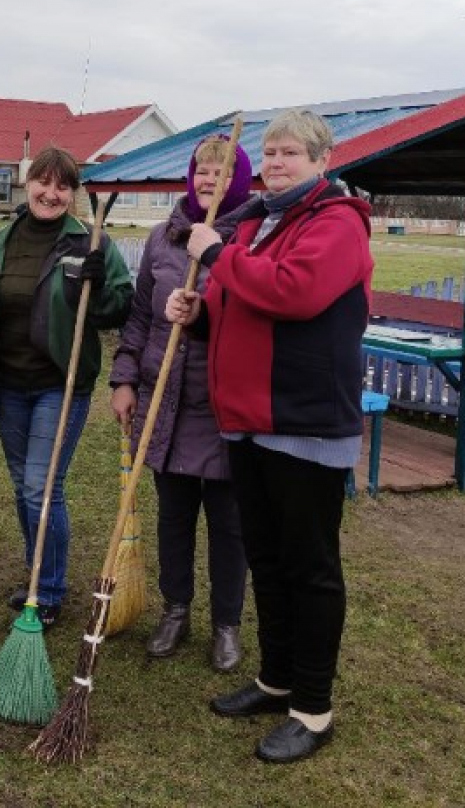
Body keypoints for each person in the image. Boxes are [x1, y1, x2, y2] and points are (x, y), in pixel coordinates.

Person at [166, 110, 373, 764]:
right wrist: (199, 317)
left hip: (303, 425)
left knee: (310, 569)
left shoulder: (338, 223)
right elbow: (240, 309)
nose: (278, 162)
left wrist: (217, 254)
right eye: (272, 153)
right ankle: (276, 678)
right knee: (269, 559)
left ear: (321, 160)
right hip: (247, 425)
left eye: (291, 153)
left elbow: (294, 293)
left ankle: (312, 709)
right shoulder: (258, 222)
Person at [109, 135, 253, 670]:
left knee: (228, 521)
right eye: (200, 171)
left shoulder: (251, 239)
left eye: (219, 172)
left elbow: (257, 317)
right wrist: (123, 379)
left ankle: (226, 624)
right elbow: (141, 318)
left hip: (221, 404)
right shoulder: (163, 238)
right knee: (174, 514)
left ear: (237, 180)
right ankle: (175, 609)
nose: (207, 180)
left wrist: (206, 313)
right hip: (164, 399)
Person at [0, 146, 133, 625]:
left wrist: (99, 286)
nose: (51, 193)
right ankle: (37, 575)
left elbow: (121, 307)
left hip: (59, 384)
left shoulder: (91, 243)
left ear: (72, 194)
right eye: (43, 182)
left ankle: (47, 590)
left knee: (41, 489)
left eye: (62, 186)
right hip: (8, 384)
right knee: (22, 486)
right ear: (29, 184)